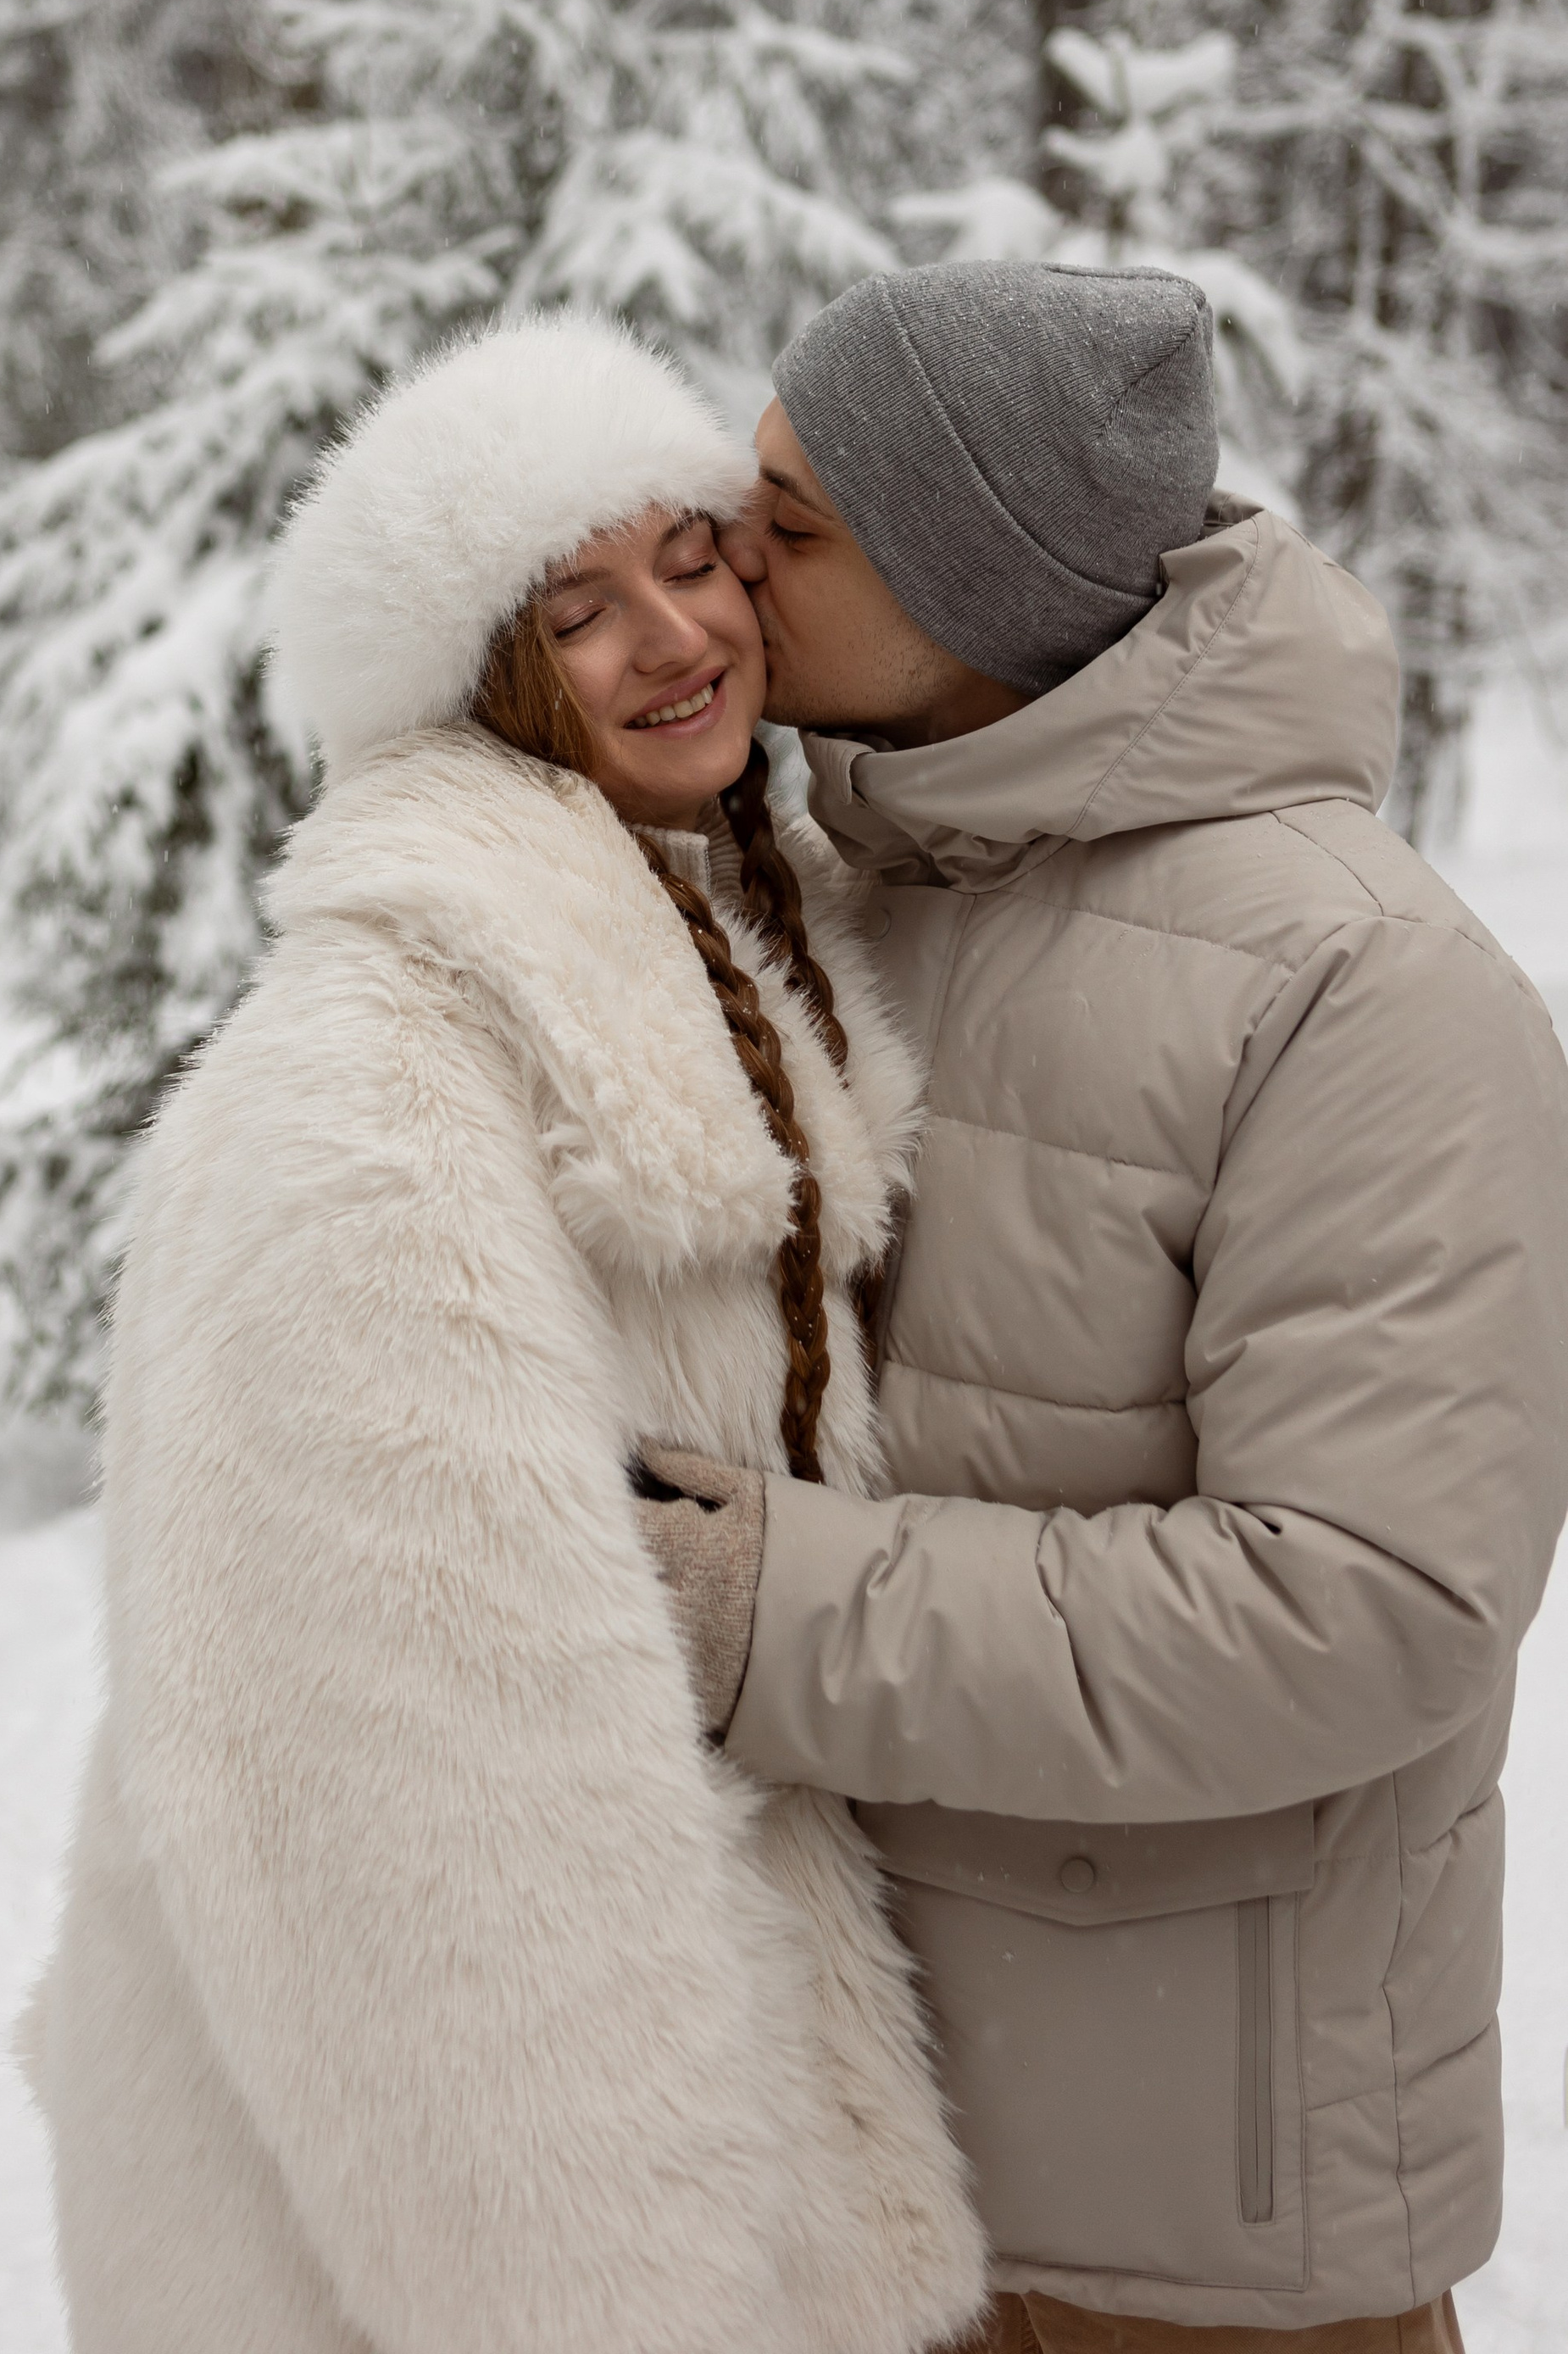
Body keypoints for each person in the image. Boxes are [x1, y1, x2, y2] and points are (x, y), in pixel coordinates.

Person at [25, 312, 987, 2354]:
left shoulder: (741, 929)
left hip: (705, 2078)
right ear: (484, 682)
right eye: (576, 607)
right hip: (444, 2197)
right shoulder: (378, 1076)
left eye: (690, 555)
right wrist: (599, 2293)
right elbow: (407, 1767)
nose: (669, 636)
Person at [637, 259, 1568, 2354]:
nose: (725, 565)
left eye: (793, 529)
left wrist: (753, 1611)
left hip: (1192, 2250)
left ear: (976, 583)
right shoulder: (841, 900)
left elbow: (1365, 1610)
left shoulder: (1361, 989)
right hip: (856, 2181)